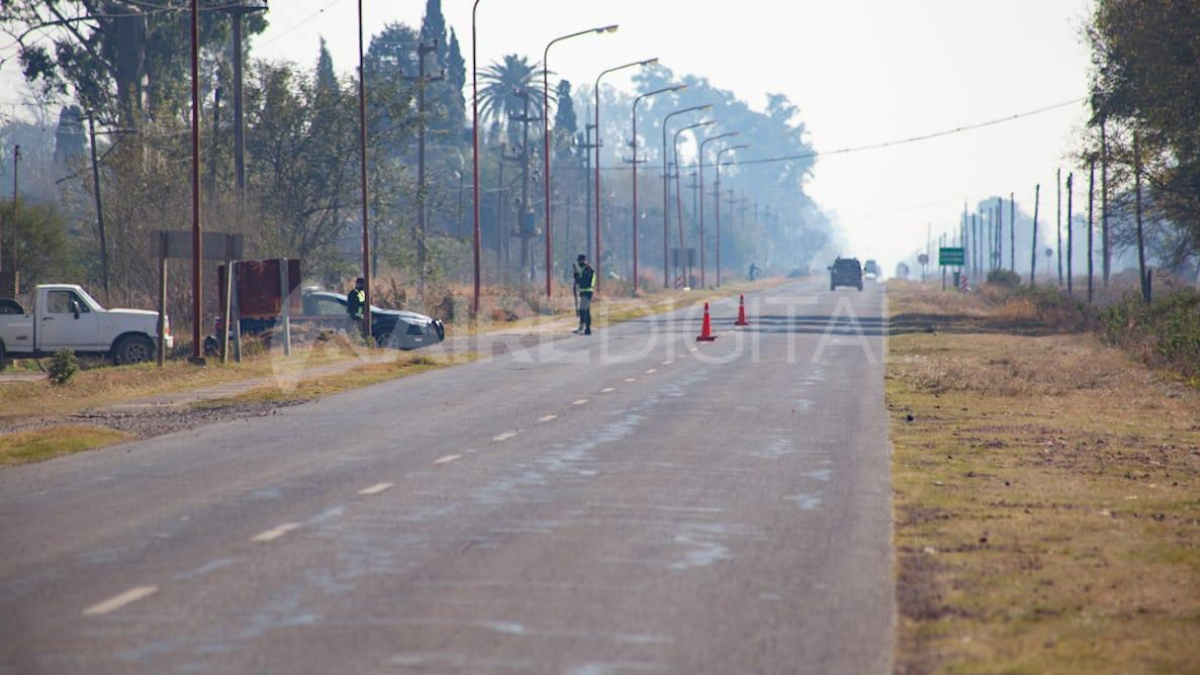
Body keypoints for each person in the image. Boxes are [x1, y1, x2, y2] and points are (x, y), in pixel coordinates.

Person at [573, 255, 595, 336]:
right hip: (584, 292)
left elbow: (583, 281)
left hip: (587, 292)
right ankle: (586, 329)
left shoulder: (588, 269)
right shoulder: (583, 269)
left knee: (584, 310)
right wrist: (576, 273)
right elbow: (579, 280)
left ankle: (584, 328)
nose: (579, 263)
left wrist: (577, 277)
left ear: (583, 260)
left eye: (579, 261)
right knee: (586, 310)